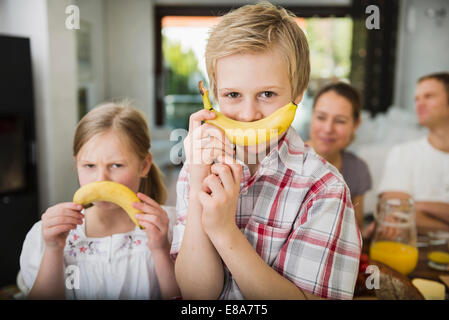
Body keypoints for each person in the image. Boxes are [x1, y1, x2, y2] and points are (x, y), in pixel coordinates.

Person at [171, 1, 362, 300]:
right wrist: (198, 183)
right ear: (213, 94)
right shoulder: (198, 166)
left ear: (298, 91)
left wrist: (224, 232)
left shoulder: (324, 189)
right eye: (232, 95)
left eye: (267, 94)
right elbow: (197, 295)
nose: (248, 115)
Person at [19, 101, 180, 299]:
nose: (101, 179)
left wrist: (160, 248)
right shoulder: (45, 235)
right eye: (89, 165)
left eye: (116, 165)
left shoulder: (175, 227)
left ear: (144, 165)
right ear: (76, 164)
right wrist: (53, 248)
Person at [378, 72, 449, 235]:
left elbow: (407, 210)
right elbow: (396, 212)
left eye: (429, 96)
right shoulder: (402, 153)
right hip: (417, 253)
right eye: (416, 99)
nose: (419, 104)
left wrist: (420, 206)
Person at [307, 82, 372, 237]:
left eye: (340, 121)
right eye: (321, 117)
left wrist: (369, 232)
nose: (328, 129)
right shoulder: (286, 161)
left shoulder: (357, 169)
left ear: (355, 125)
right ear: (312, 117)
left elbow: (355, 231)